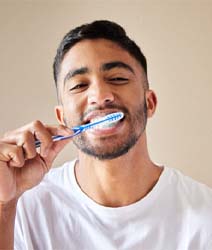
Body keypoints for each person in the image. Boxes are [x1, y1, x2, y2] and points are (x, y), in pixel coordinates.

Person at [0, 20, 212, 250]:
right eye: (79, 85)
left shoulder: (205, 216)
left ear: (149, 103)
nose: (100, 95)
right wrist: (4, 205)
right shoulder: (22, 209)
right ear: (62, 118)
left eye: (118, 78)